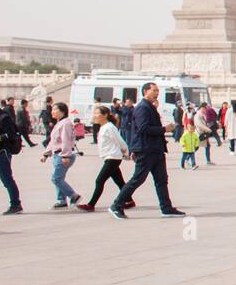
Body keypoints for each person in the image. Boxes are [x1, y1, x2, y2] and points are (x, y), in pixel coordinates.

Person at [109, 81, 184, 219]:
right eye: (154, 90)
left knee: (161, 179)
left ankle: (166, 208)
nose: (157, 93)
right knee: (138, 178)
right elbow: (142, 128)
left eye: (157, 91)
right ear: (145, 91)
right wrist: (164, 129)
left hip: (156, 149)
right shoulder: (142, 108)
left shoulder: (149, 107)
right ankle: (117, 205)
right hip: (146, 149)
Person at [78, 105, 131, 212]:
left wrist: (126, 153)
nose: (95, 115)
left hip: (113, 158)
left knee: (99, 180)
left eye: (97, 113)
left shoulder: (110, 127)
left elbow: (120, 141)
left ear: (105, 115)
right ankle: (129, 200)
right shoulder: (103, 127)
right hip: (109, 157)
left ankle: (91, 204)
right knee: (119, 181)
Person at [41, 101, 81, 208]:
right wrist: (46, 154)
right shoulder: (60, 123)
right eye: (52, 110)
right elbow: (53, 141)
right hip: (57, 154)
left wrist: (65, 155)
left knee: (56, 178)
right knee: (59, 178)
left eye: (55, 110)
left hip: (62, 155)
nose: (52, 112)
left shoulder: (66, 124)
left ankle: (74, 196)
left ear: (63, 111)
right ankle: (61, 200)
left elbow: (66, 140)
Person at [0, 93, 23, 215]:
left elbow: (9, 136)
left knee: (7, 180)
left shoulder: (3, 117)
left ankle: (16, 205)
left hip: (0, 154)